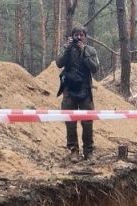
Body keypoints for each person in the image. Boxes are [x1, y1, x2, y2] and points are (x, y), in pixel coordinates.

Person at [56, 24, 100, 161]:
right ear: (72, 36)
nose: (79, 37)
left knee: (87, 122)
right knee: (70, 121)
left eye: (81, 35)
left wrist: (84, 52)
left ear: (85, 37)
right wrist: (67, 49)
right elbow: (59, 63)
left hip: (85, 90)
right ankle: (73, 150)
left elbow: (95, 68)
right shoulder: (66, 48)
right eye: (76, 35)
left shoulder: (90, 50)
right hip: (69, 90)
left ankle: (88, 151)